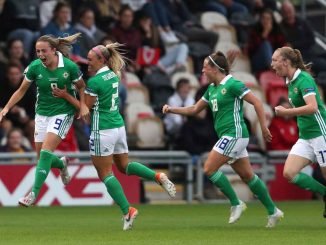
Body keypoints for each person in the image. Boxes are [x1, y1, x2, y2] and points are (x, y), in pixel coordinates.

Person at [53, 42, 176, 231]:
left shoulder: (95, 82)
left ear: (101, 60)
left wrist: (66, 96)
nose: (88, 63)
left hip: (102, 129)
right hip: (118, 127)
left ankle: (127, 210)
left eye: (90, 60)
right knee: (124, 166)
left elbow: (85, 108)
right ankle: (157, 176)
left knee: (105, 173)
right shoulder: (113, 75)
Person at [162, 51, 283, 228]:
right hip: (230, 136)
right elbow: (195, 109)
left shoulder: (233, 84)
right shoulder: (212, 89)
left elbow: (257, 102)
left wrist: (263, 127)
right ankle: (273, 211)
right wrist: (172, 109)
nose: (202, 71)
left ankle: (236, 203)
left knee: (209, 168)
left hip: (235, 134)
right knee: (248, 176)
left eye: (205, 67)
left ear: (214, 69)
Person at [0, 33, 89, 207]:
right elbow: (21, 90)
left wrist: (83, 105)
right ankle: (61, 164)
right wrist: (6, 108)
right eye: (37, 51)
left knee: (46, 152)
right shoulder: (35, 67)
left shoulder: (69, 67)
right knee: (42, 157)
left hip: (63, 113)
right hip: (41, 114)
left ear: (54, 51)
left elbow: (82, 87)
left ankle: (33, 194)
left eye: (44, 51)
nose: (40, 55)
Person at [271, 46, 326, 218]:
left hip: (320, 134)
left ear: (285, 62)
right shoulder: (291, 81)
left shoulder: (304, 80)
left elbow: (312, 107)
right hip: (306, 137)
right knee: (289, 173)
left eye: (275, 60)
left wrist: (286, 112)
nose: (272, 64)